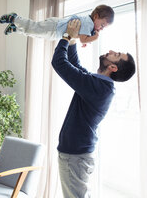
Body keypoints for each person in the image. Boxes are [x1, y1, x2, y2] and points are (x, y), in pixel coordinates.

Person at [51, 19, 136, 198]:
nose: (111, 51)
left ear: (113, 67)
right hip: (77, 154)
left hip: (75, 155)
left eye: (116, 54)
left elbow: (59, 63)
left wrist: (66, 36)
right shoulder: (99, 84)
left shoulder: (98, 88)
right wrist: (73, 40)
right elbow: (76, 67)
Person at [0, 5, 114, 47]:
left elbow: (79, 37)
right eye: (102, 25)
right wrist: (94, 38)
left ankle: (15, 28)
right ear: (96, 16)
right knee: (33, 28)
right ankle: (14, 18)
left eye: (104, 28)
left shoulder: (88, 24)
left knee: (34, 33)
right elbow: (82, 38)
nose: (102, 29)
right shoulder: (89, 23)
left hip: (55, 31)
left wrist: (85, 40)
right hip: (54, 28)